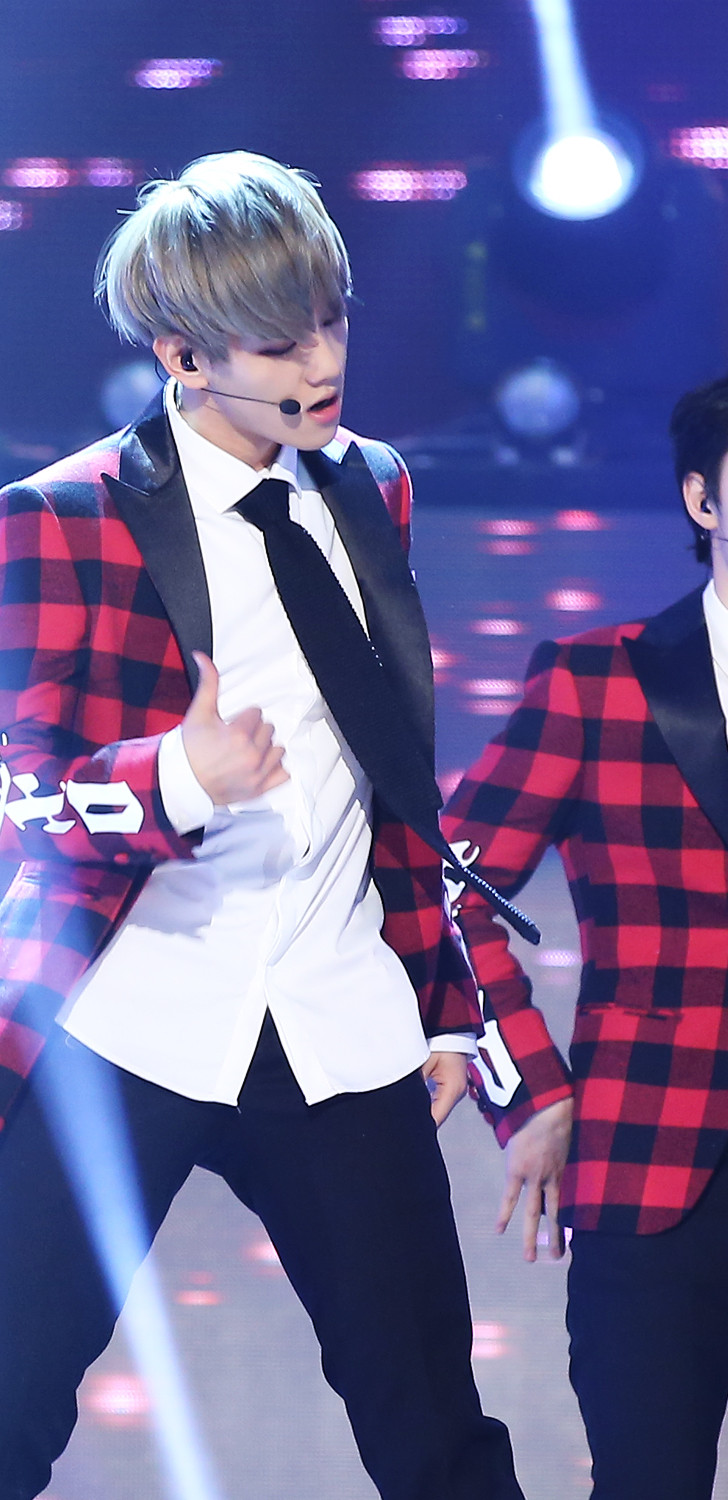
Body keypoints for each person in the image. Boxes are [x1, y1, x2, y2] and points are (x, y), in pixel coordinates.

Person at [0, 151, 526, 1500]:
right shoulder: (62, 517)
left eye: (331, 320)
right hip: (122, 1022)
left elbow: (387, 774)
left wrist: (442, 1006)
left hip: (335, 1020)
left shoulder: (373, 486)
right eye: (279, 341)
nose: (322, 360)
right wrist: (173, 778)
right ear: (183, 356)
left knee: (437, 1433)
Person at [442, 373, 728, 1500]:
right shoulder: (596, 682)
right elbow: (445, 888)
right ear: (703, 499)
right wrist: (527, 1089)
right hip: (653, 1162)